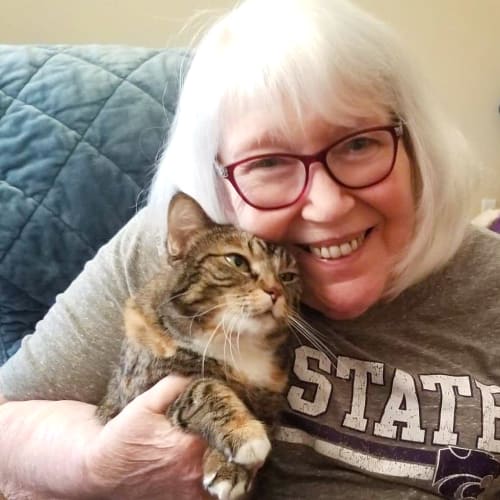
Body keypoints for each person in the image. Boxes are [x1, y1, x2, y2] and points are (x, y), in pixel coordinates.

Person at [1, 0, 499, 498]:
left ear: (416, 147)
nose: (326, 206)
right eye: (269, 162)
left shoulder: (488, 285)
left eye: (358, 144)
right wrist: (95, 465)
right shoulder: (179, 251)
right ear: (217, 178)